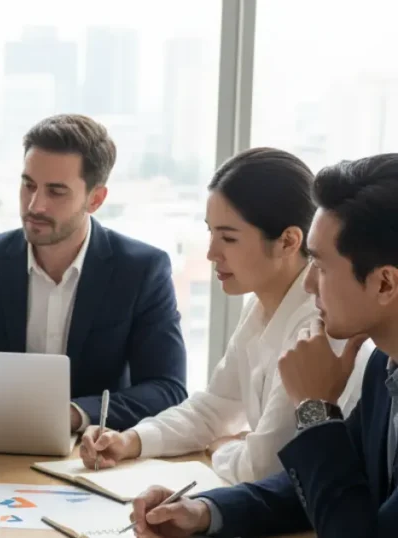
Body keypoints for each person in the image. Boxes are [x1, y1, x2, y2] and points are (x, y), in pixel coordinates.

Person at [129, 154, 398, 538]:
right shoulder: (385, 370)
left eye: (320, 267)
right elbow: (317, 486)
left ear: (385, 284)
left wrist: (315, 411)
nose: (308, 285)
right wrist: (204, 511)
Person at [79, 147, 371, 484]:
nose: (211, 253)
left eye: (228, 238)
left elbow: (263, 467)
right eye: (211, 233)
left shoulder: (319, 328)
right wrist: (130, 440)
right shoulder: (261, 306)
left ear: (289, 241)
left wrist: (220, 449)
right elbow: (215, 406)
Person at [0, 114, 187, 432]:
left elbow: (167, 389)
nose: (35, 205)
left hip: (91, 456)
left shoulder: (141, 270)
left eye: (56, 192)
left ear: (96, 199)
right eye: (28, 185)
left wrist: (75, 414)